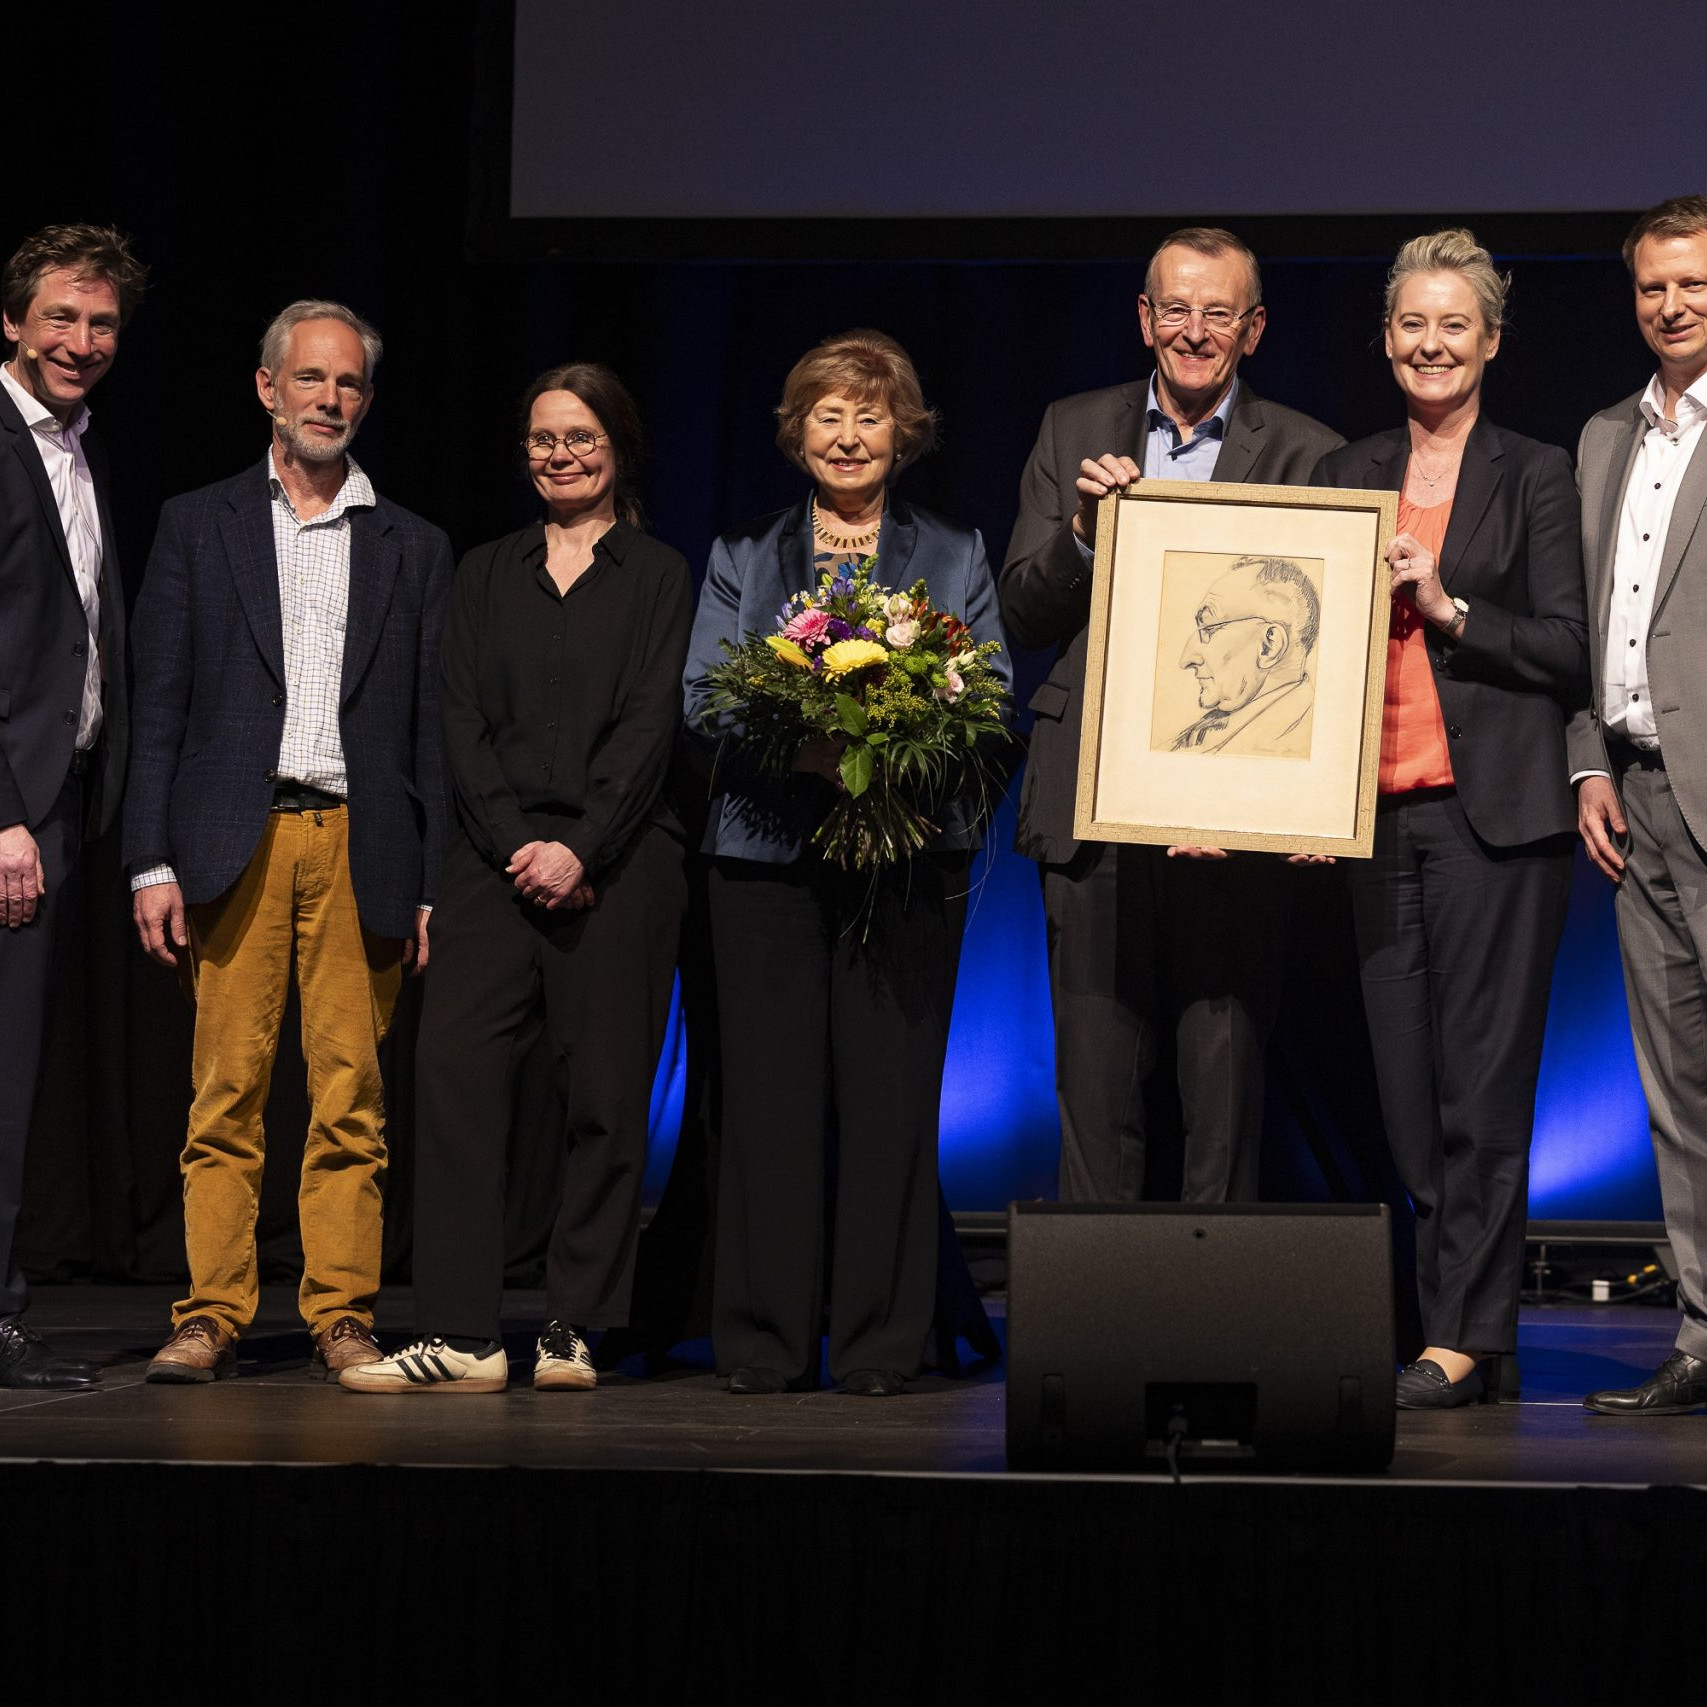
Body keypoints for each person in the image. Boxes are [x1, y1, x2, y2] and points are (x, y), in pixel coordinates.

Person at [344, 363, 692, 1394]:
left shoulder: (660, 574)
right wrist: (518, 847)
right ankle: (462, 1333)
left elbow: (651, 723)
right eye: (544, 438)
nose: (560, 455)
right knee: (454, 1076)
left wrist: (582, 847)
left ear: (618, 446)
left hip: (620, 860)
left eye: (581, 437)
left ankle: (574, 1325)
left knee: (605, 1095)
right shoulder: (486, 570)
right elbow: (458, 721)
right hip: (492, 860)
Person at [125, 300, 453, 1383]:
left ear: (368, 399)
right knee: (226, 1094)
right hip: (238, 838)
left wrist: (431, 881)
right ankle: (210, 1313)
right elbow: (158, 704)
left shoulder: (412, 543)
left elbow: (428, 728)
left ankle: (341, 1314)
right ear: (268, 389)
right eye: (310, 378)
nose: (330, 398)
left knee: (351, 1099)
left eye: (349, 382)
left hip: (362, 840)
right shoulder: (198, 522)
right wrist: (151, 859)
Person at [683, 329, 1010, 1397]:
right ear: (797, 432)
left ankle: (878, 1343)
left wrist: (895, 737)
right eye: (829, 414)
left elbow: (990, 699)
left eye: (870, 415)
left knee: (889, 1108)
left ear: (903, 434)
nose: (849, 434)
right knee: (767, 1105)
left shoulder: (954, 550)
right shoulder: (743, 552)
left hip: (905, 860)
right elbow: (703, 700)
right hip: (764, 859)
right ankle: (765, 1341)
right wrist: (804, 749)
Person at [1000, 226, 1341, 1206]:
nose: (1195, 331)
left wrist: (1302, 800)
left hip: (1236, 813)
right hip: (1093, 801)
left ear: (1254, 329)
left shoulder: (1310, 452)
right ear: (1145, 318)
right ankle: (1095, 1299)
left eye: (1218, 313)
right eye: (1177, 309)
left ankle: (1215, 1292)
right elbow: (1023, 610)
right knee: (1094, 1083)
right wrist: (1081, 532)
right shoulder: (1072, 427)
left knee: (1224, 1087)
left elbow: (1325, 653)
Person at [1313, 230, 1587, 1408]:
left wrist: (1450, 608)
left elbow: (1569, 645)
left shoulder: (1536, 472)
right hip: (1376, 822)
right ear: (1387, 337)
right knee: (1407, 1098)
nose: (1433, 344)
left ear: (1491, 342)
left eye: (1455, 326)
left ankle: (1462, 1335)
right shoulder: (1345, 471)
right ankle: (1468, 1328)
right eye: (1413, 324)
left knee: (1483, 1090)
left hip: (1495, 825)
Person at [0, 224, 145, 1390]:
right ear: (13, 321)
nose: (81, 341)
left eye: (101, 323)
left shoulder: (74, 449)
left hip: (58, 803)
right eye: (60, 317)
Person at [1573, 196, 1707, 1417]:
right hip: (1639, 799)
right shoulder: (1605, 435)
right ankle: (1705, 1335)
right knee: (1677, 1094)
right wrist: (1589, 762)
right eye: (1654, 286)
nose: (1672, 305)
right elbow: (1590, 624)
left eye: (1694, 283)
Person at [1173, 554, 1319, 755]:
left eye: (1209, 629)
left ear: (1269, 646)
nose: (1186, 660)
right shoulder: (1206, 731)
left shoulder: (1288, 747)